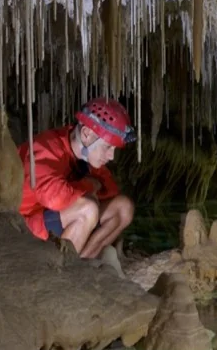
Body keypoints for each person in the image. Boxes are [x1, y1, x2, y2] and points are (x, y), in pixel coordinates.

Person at [17, 97, 136, 259]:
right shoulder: (46, 148)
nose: (111, 156)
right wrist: (89, 185)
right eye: (108, 147)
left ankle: (81, 266)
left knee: (123, 208)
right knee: (88, 209)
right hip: (20, 227)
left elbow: (111, 190)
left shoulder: (86, 156)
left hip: (52, 221)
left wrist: (88, 186)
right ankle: (57, 272)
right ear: (87, 134)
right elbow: (54, 198)